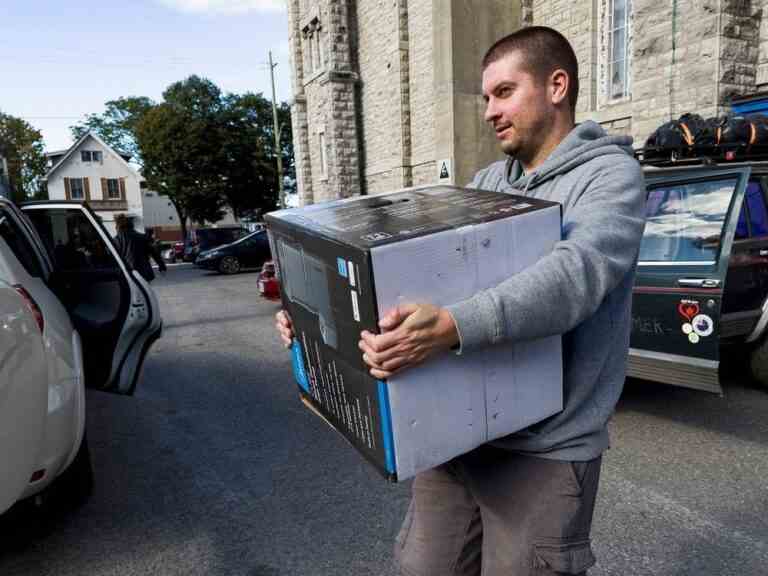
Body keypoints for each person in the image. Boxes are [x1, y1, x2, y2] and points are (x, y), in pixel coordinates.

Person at [276, 26, 646, 576]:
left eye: (504, 92)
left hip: (544, 452)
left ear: (557, 86)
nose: (489, 111)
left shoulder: (609, 177)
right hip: (459, 435)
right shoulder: (488, 181)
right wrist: (313, 314)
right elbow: (415, 266)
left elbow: (577, 276)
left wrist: (453, 325)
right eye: (486, 98)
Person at [114, 214, 166, 282]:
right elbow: (153, 252)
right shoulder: (141, 237)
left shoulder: (116, 240)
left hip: (127, 274)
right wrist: (161, 266)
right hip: (144, 272)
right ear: (131, 225)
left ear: (117, 226)